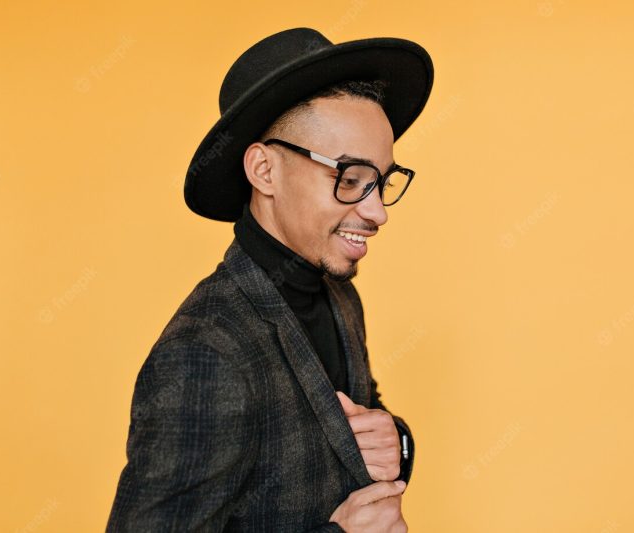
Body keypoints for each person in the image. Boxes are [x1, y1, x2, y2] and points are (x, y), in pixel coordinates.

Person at [106, 27, 433, 532]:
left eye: (381, 182)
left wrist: (396, 437)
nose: (376, 211)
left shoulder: (340, 293)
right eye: (349, 180)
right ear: (264, 171)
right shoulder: (205, 352)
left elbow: (352, 426)